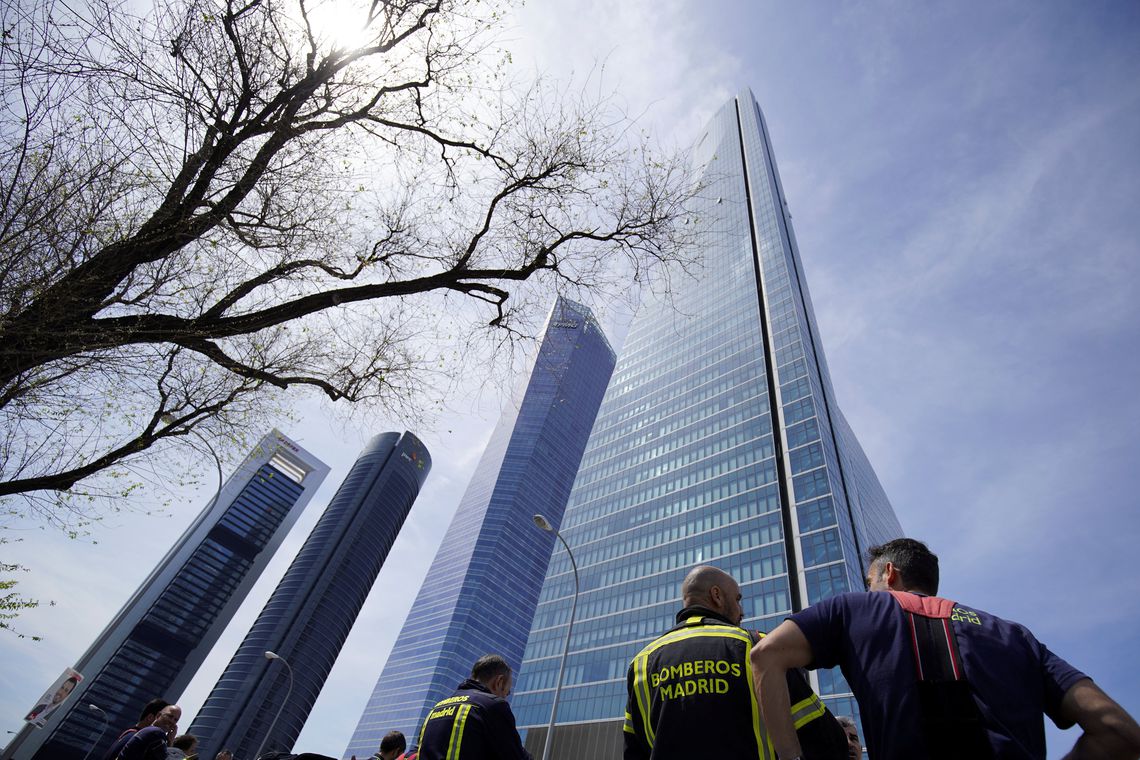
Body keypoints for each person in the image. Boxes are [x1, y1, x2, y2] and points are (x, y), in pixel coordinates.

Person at [752, 538, 1140, 760]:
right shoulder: (1015, 635)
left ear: (889, 573)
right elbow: (1119, 732)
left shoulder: (855, 609)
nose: (869, 589)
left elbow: (765, 655)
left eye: (870, 581)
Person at [624, 565, 847, 760]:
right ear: (717, 596)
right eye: (738, 599)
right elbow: (820, 734)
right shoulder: (758, 647)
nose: (741, 612)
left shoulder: (641, 663)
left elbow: (634, 751)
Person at [417, 655, 531, 760]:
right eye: (507, 692)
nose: (506, 697)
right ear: (499, 682)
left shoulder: (436, 709)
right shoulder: (493, 705)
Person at [103, 699, 172, 760]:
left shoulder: (130, 735)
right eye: (164, 719)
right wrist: (169, 744)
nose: (169, 725)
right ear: (150, 717)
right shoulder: (135, 738)